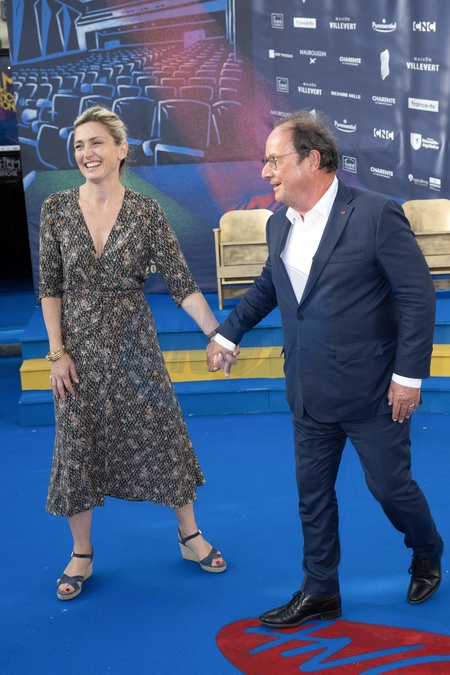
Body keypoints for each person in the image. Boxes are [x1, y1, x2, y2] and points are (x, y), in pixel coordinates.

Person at [206, 109, 443, 626]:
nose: (265, 171)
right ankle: (320, 591)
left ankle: (427, 548)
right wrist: (227, 333)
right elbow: (270, 287)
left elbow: (417, 297)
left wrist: (408, 377)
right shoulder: (278, 223)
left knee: (390, 488)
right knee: (312, 497)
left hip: (374, 391)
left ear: (312, 160)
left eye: (274, 160)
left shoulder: (376, 213)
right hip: (307, 387)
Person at [39, 105, 235, 601]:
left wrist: (217, 334)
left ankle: (189, 535)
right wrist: (57, 353)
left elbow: (182, 284)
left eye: (96, 143)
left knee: (164, 433)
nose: (86, 153)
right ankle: (81, 552)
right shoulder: (56, 208)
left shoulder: (147, 211)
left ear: (121, 149)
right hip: (78, 351)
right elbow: (50, 287)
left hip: (135, 346)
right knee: (76, 445)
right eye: (79, 145)